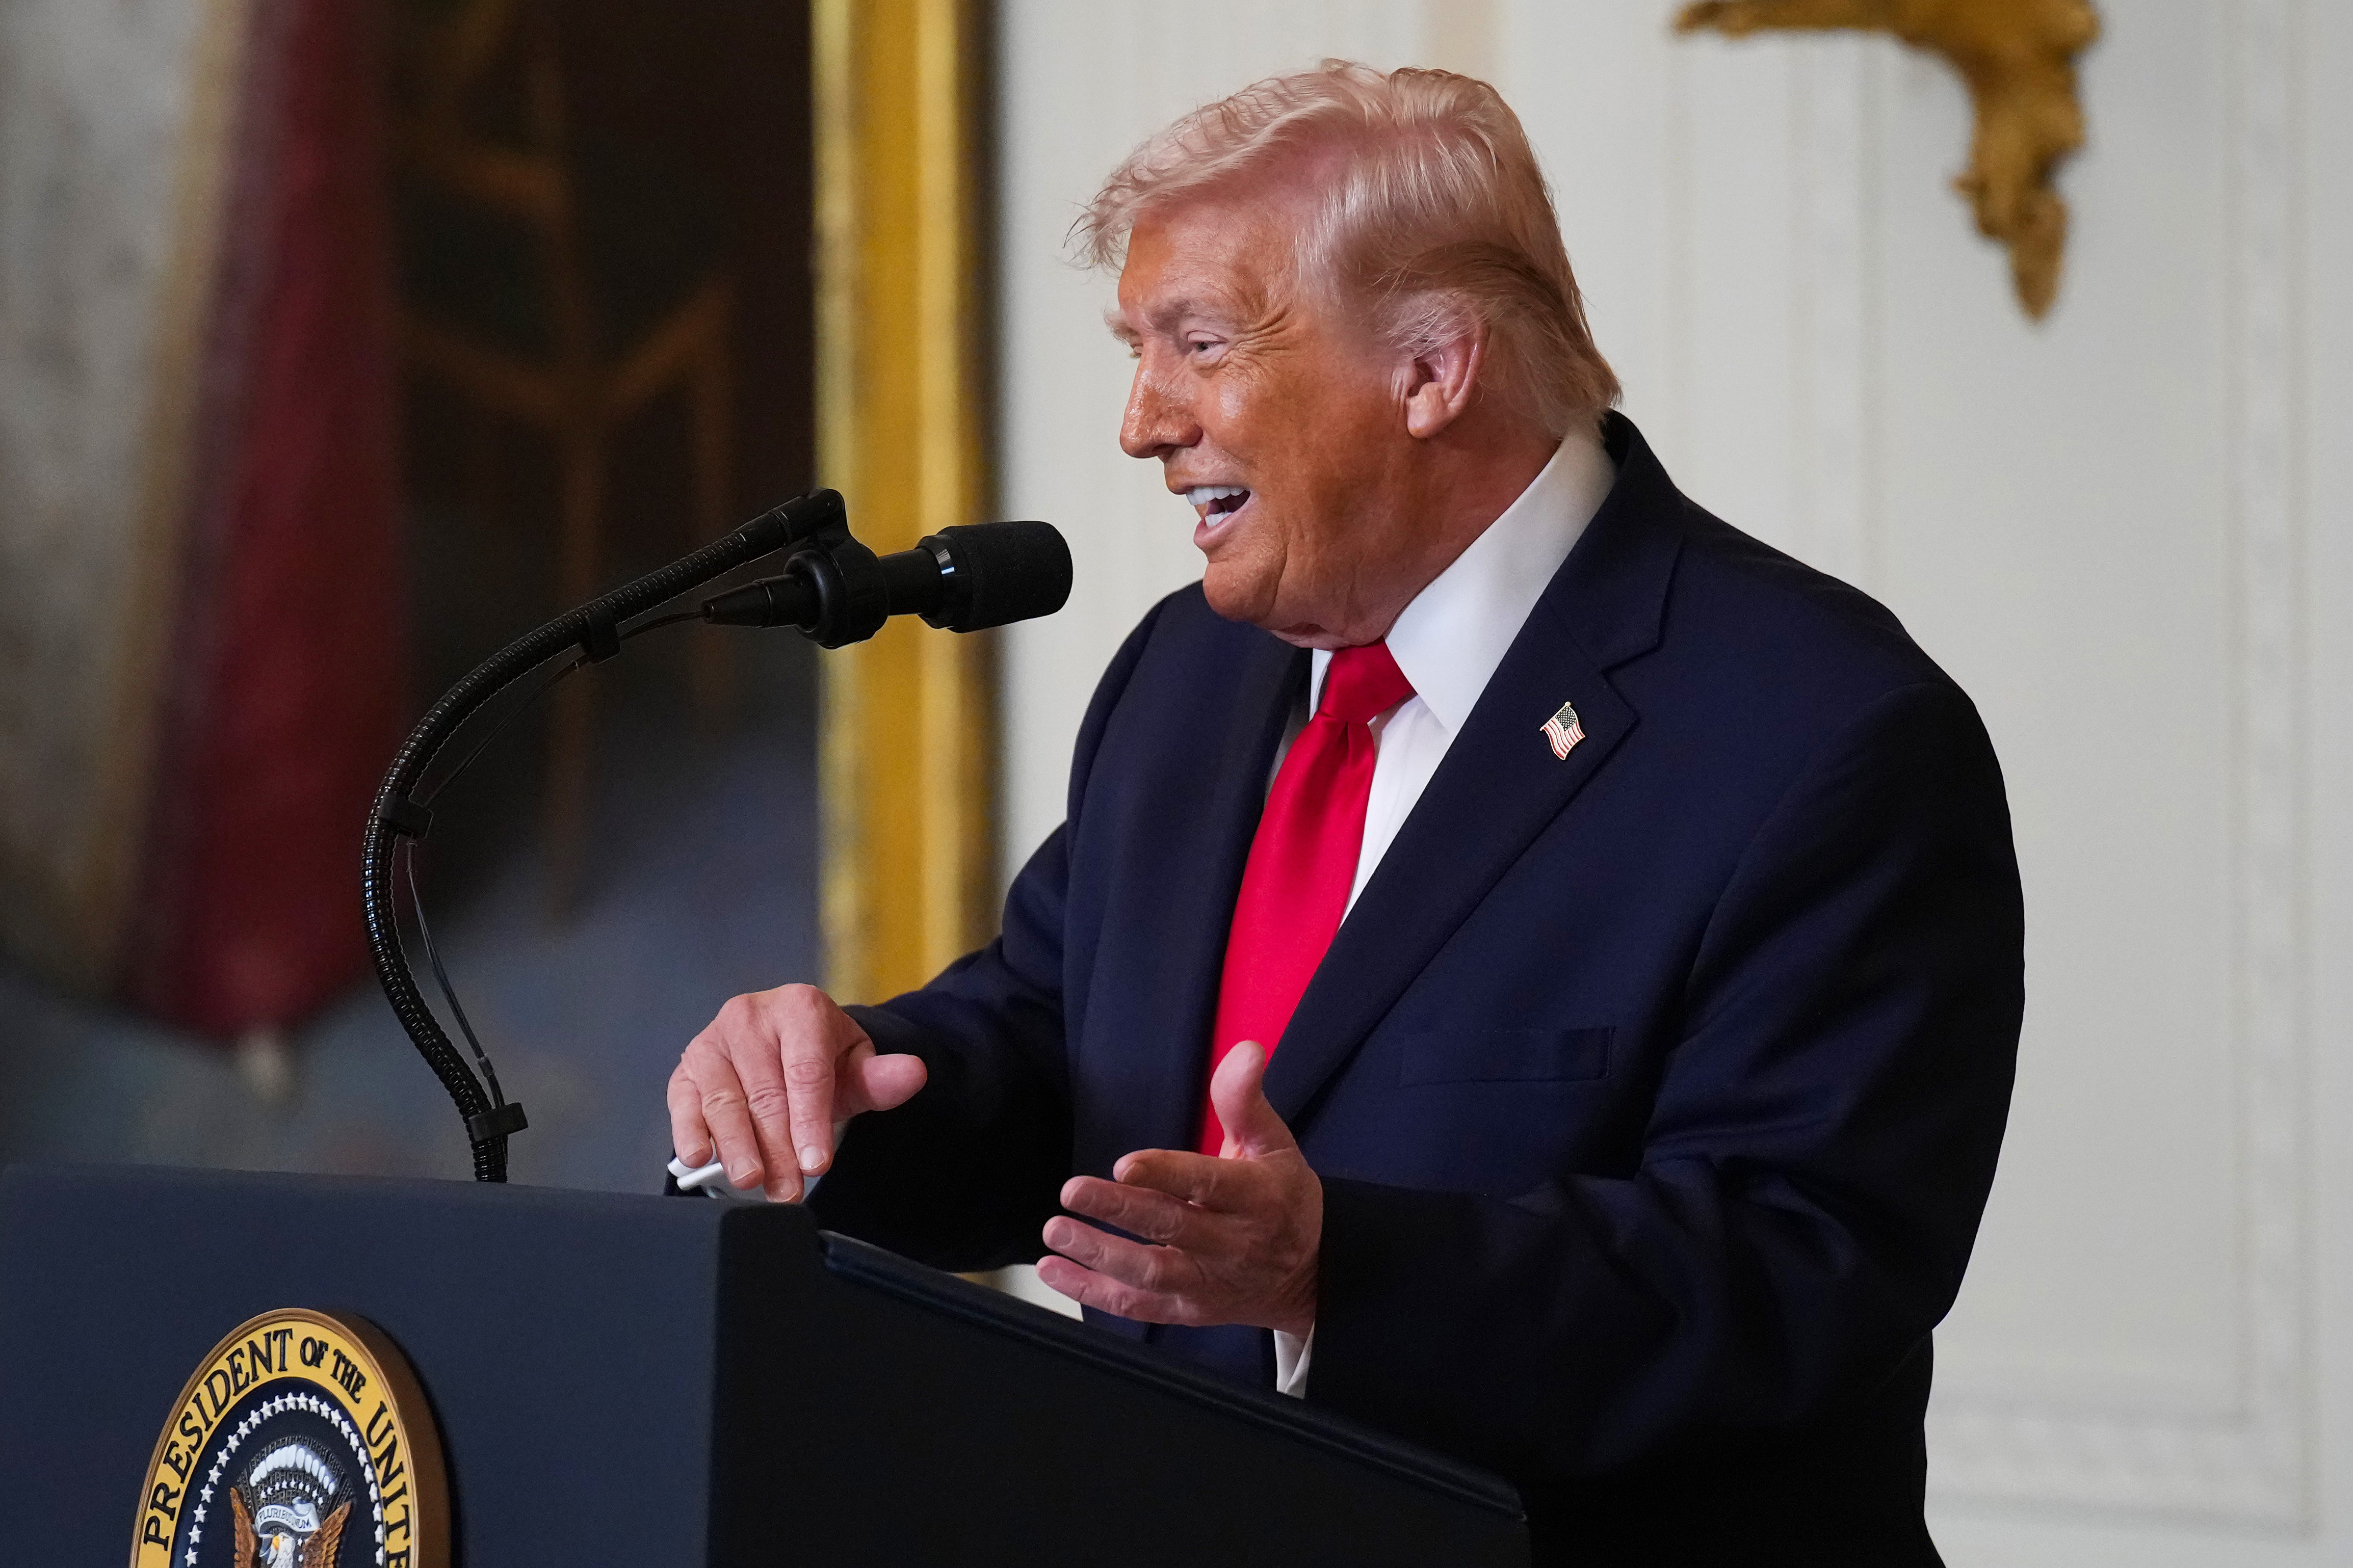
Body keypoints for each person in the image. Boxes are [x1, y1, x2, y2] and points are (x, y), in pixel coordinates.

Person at [667, 61, 2022, 1567]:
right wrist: (846, 1091)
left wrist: (1335, 1276)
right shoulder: (1192, 673)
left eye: (1199, 343)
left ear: (1433, 369)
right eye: (1137, 349)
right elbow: (1059, 1045)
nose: (1140, 423)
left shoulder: (1820, 733)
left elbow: (1797, 1273)